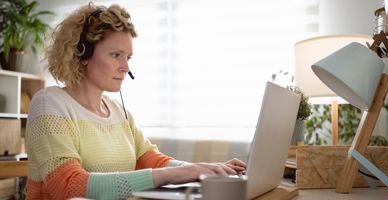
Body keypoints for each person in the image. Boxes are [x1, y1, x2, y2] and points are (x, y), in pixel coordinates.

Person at [25, 2, 246, 199]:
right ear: (82, 53)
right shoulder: (49, 104)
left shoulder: (119, 112)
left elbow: (153, 161)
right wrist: (176, 173)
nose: (126, 67)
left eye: (128, 57)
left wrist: (206, 169)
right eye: (115, 55)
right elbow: (68, 186)